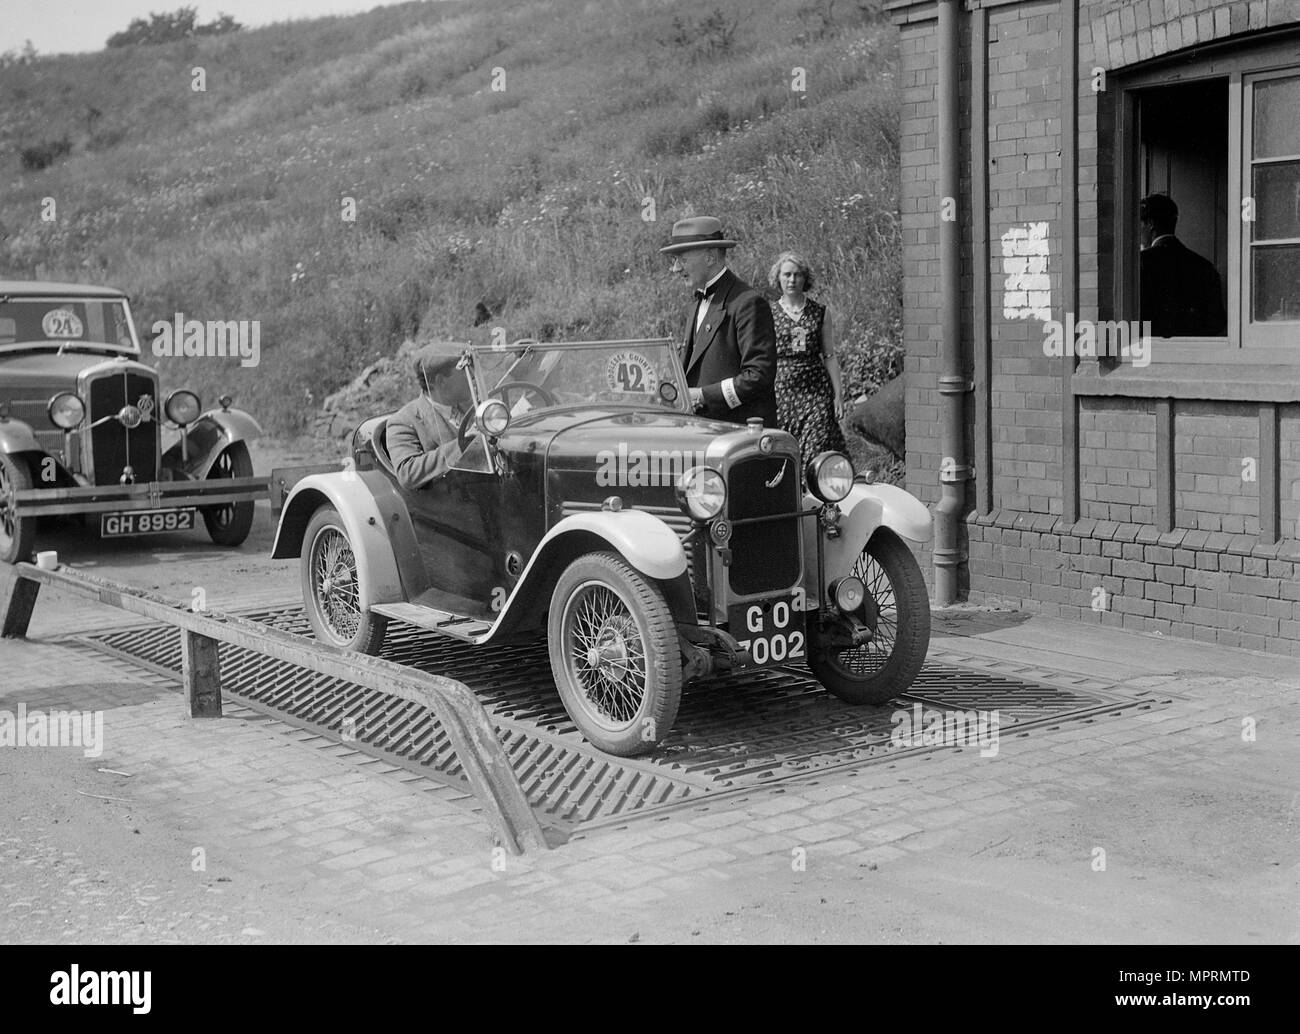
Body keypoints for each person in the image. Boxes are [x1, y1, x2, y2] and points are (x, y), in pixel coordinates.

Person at [660, 216, 777, 426]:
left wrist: (701, 395)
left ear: (710, 257)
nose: (676, 268)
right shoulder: (695, 303)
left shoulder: (748, 303)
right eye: (675, 261)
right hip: (704, 435)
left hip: (740, 437)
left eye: (682, 260)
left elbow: (758, 377)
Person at [768, 250, 847, 459]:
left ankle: (814, 490)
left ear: (805, 278)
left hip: (816, 390)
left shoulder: (820, 312)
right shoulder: (768, 313)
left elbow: (829, 355)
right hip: (782, 392)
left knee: (816, 447)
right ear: (778, 278)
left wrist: (838, 394)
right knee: (786, 449)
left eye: (797, 275)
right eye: (787, 275)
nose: (792, 280)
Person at [386, 341, 473, 490]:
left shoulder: (474, 404)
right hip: (451, 504)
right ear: (441, 381)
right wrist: (465, 442)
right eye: (465, 373)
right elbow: (408, 474)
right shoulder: (403, 421)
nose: (473, 377)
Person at [1139, 193, 1227, 337]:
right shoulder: (1203, 265)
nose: (1139, 231)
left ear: (1150, 224)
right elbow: (1217, 322)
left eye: (1140, 224)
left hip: (1151, 349)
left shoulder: (1141, 262)